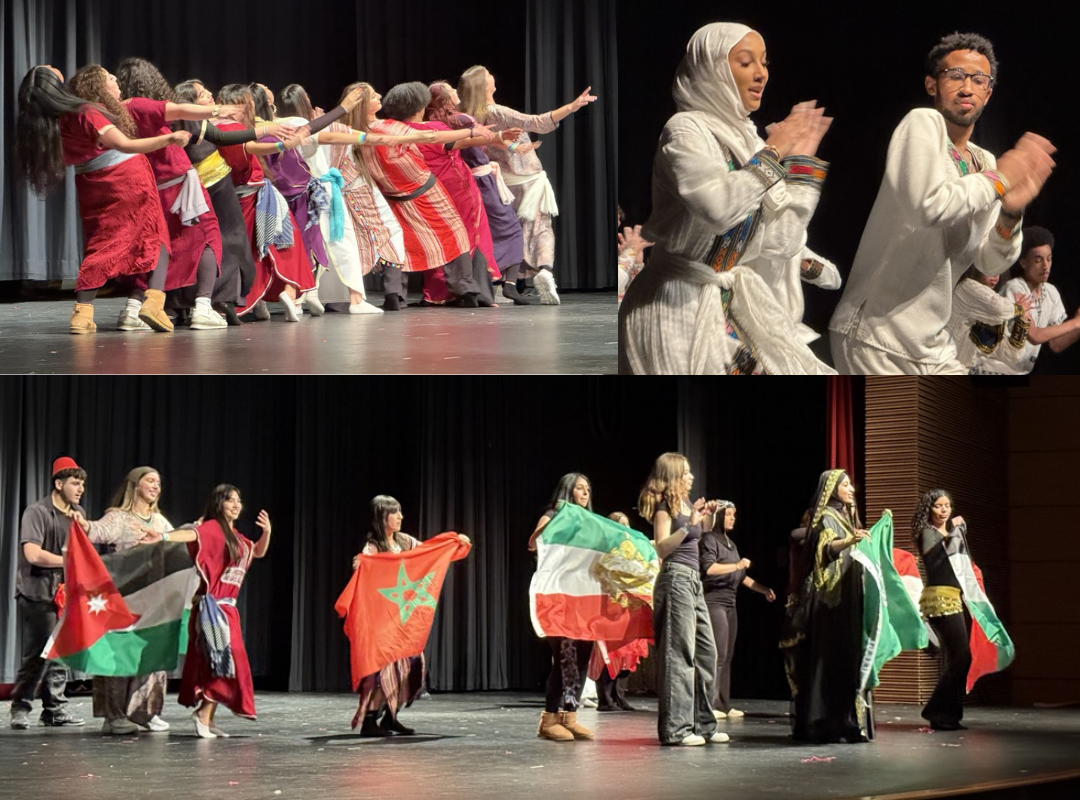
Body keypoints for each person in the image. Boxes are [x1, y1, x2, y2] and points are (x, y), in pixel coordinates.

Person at [829, 33, 1057, 374]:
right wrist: (1000, 181)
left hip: (931, 343)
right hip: (874, 336)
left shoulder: (985, 162)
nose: (967, 88)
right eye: (956, 76)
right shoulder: (922, 124)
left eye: (979, 80)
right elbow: (927, 207)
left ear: (988, 93)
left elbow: (991, 262)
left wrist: (1011, 212)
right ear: (932, 84)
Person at [617, 23, 836, 374]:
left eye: (764, 62)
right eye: (745, 62)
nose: (761, 73)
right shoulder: (686, 129)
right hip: (675, 307)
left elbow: (781, 242)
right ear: (712, 69)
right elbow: (718, 209)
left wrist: (801, 164)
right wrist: (777, 150)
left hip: (722, 301)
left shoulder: (749, 141)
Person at [15, 65, 190, 334]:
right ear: (52, 82)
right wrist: (169, 138)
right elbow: (126, 144)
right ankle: (153, 303)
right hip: (125, 178)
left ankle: (82, 313)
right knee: (157, 237)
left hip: (91, 183)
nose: (52, 65)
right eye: (48, 68)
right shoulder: (85, 111)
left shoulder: (48, 124)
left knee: (102, 242)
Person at [458, 65, 597, 304]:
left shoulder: (471, 118)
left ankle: (503, 282)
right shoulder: (497, 112)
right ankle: (544, 269)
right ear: (483, 86)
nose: (493, 76)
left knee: (508, 232)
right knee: (540, 227)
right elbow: (538, 122)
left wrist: (513, 146)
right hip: (527, 180)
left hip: (500, 183)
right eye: (488, 75)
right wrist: (572, 107)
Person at [82, 466, 197, 734]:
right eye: (150, 481)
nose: (157, 486)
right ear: (135, 485)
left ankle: (145, 712)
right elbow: (94, 531)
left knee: (152, 657)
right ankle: (114, 716)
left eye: (159, 482)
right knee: (121, 657)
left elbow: (178, 543)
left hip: (154, 602)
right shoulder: (119, 519)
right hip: (124, 599)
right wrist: (82, 523)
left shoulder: (159, 522)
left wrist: (198, 532)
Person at [637, 453, 728, 746]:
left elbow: (698, 534)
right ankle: (676, 729)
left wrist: (708, 516)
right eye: (686, 473)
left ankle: (703, 725)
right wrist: (688, 525)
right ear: (674, 476)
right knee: (679, 655)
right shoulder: (665, 507)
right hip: (675, 578)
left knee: (706, 653)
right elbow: (662, 548)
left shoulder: (686, 505)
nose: (691, 477)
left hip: (693, 581)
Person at [780, 470, 873, 743]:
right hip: (829, 600)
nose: (850, 488)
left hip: (847, 597)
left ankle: (847, 722)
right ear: (831, 488)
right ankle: (826, 723)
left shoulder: (846, 516)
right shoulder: (826, 516)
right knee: (830, 658)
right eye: (844, 485)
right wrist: (849, 540)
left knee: (847, 658)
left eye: (850, 484)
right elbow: (826, 549)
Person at [179, 484, 272, 738]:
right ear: (219, 503)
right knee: (220, 662)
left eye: (238, 500)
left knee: (226, 663)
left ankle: (208, 717)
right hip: (212, 611)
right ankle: (202, 713)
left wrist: (267, 532)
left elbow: (258, 551)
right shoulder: (212, 530)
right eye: (230, 500)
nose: (236, 504)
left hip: (227, 611)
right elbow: (191, 535)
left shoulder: (237, 539)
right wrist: (163, 536)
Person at [428, 81, 532, 305]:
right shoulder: (463, 120)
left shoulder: (434, 124)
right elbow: (480, 138)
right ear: (445, 98)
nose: (456, 92)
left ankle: (468, 288)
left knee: (465, 235)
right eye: (451, 90)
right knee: (500, 231)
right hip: (476, 181)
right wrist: (504, 139)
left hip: (452, 182)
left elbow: (478, 139)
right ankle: (505, 285)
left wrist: (508, 143)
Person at [9, 457, 88, 730]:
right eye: (75, 483)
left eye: (82, 484)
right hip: (37, 593)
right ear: (58, 483)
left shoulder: (77, 514)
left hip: (65, 593)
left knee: (61, 651)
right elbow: (33, 554)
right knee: (38, 654)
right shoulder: (37, 512)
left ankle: (54, 709)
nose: (80, 489)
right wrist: (69, 562)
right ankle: (20, 707)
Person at [527, 474, 597, 742]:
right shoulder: (553, 515)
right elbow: (534, 543)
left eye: (588, 489)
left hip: (584, 597)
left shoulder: (591, 522)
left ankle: (570, 717)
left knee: (582, 656)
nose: (585, 492)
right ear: (567, 491)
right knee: (565, 657)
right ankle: (549, 718)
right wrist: (559, 523)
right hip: (559, 598)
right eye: (579, 488)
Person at [699, 500, 776, 720]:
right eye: (729, 514)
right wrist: (737, 565)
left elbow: (742, 577)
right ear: (719, 516)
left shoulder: (731, 544)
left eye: (734, 514)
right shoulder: (709, 540)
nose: (733, 518)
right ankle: (709, 703)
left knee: (728, 654)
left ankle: (723, 704)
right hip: (714, 601)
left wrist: (763, 590)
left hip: (730, 603)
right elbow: (709, 568)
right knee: (718, 654)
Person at [977, 227, 1080, 373]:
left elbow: (1056, 344)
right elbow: (1035, 336)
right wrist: (1075, 322)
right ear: (1024, 262)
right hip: (994, 369)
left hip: (1020, 372)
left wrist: (1078, 325)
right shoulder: (1015, 288)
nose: (1045, 266)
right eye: (1038, 260)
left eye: (1049, 259)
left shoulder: (1051, 293)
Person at [947, 266, 1032, 372]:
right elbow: (999, 309)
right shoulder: (967, 287)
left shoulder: (994, 313)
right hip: (941, 364)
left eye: (999, 270)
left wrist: (1023, 320)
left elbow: (1011, 355)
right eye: (991, 268)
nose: (996, 275)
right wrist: (1020, 308)